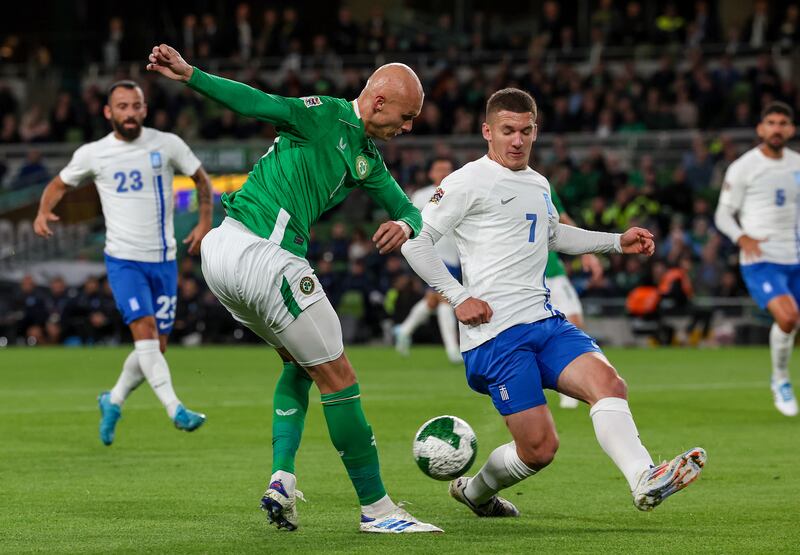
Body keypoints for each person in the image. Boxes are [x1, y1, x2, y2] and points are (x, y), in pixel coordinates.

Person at [146, 43, 440, 534]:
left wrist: (408, 225)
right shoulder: (326, 115)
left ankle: (282, 478)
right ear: (379, 101)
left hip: (224, 255)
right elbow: (260, 102)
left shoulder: (366, 156)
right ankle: (378, 510)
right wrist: (192, 75)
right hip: (264, 254)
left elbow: (407, 207)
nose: (407, 127)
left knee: (299, 365)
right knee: (340, 377)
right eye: (406, 116)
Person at [402, 88, 706, 518]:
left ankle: (643, 478)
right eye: (508, 131)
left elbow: (554, 235)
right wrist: (458, 295)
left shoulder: (538, 182)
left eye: (526, 131)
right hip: (495, 336)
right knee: (539, 449)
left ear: (536, 131)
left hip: (544, 321)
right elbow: (416, 243)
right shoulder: (466, 181)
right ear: (487, 131)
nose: (517, 140)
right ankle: (475, 493)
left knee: (610, 385)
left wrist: (616, 242)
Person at [33, 80, 212, 444]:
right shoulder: (93, 153)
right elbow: (58, 184)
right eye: (122, 106)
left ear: (144, 109)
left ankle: (112, 401)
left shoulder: (167, 143)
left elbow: (201, 179)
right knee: (145, 336)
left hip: (163, 261)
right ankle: (175, 409)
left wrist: (205, 220)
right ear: (108, 112)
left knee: (155, 348)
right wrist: (42, 213)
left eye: (135, 106)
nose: (129, 113)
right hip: (124, 260)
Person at [715, 101, 800, 417]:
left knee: (790, 322)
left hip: (796, 257)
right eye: (771, 122)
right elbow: (723, 214)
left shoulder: (797, 164)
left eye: (783, 123)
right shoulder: (744, 167)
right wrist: (742, 237)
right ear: (761, 129)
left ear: (790, 129)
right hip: (761, 259)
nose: (777, 128)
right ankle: (780, 378)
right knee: (788, 318)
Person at [395, 156, 462, 364]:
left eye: (447, 169)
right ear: (431, 173)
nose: (444, 173)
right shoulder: (422, 196)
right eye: (439, 169)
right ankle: (453, 350)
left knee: (433, 300)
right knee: (445, 299)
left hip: (455, 255)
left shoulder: (460, 192)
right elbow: (415, 226)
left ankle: (404, 330)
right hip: (432, 254)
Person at [545, 187, 604, 409]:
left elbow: (563, 221)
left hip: (552, 271)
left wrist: (586, 252)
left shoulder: (542, 184)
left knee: (574, 325)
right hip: (522, 276)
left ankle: (569, 387)